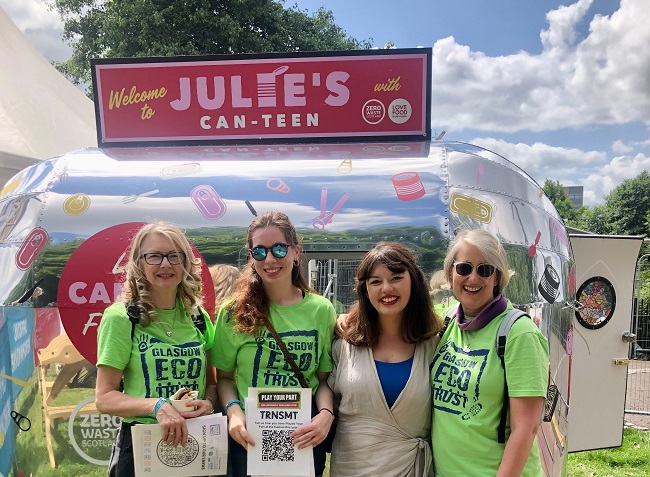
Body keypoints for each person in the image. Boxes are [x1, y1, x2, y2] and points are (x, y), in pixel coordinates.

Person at [212, 210, 336, 477]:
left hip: (302, 437)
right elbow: (223, 378)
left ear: (296, 252)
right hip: (249, 439)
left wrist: (326, 414)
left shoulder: (321, 310)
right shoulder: (233, 312)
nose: (269, 259)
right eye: (259, 251)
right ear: (251, 257)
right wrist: (233, 413)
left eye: (279, 249)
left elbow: (323, 379)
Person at [96, 221, 217, 477]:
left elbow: (213, 385)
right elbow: (104, 398)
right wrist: (158, 406)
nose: (165, 264)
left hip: (193, 443)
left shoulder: (198, 317)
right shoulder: (121, 318)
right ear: (139, 263)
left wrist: (208, 402)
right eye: (154, 256)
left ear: (186, 263)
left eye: (174, 256)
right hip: (143, 445)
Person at [430, 229, 549, 477]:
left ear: (497, 278)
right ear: (451, 273)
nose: (473, 278)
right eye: (464, 268)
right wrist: (344, 320)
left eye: (485, 269)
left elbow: (526, 429)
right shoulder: (448, 319)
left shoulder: (519, 333)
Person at [328, 242, 442, 477]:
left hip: (411, 468)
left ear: (414, 281)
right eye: (375, 281)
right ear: (365, 290)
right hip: (350, 467)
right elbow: (324, 389)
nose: (386, 288)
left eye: (396, 278)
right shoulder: (344, 343)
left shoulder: (435, 345)